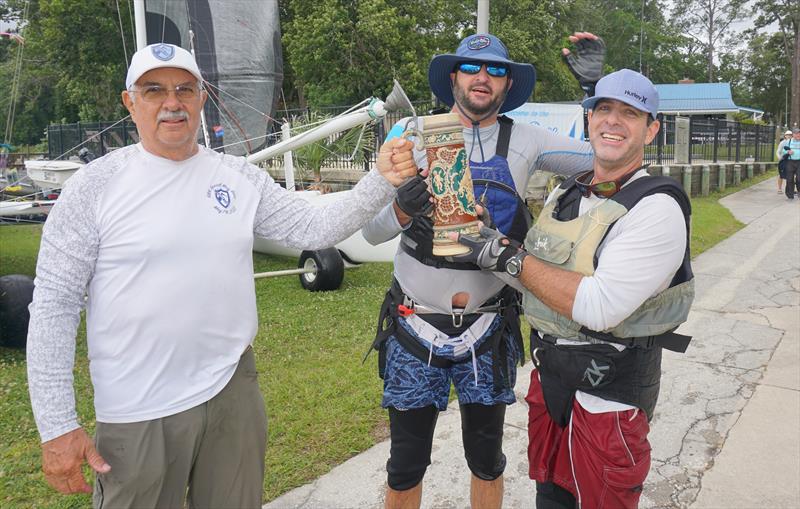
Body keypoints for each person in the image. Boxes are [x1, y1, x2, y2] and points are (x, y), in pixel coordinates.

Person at [26, 43, 417, 509]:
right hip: (138, 409)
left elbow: (314, 227)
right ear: (130, 102)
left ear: (201, 97)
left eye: (184, 89)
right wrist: (56, 426)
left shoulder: (236, 177)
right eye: (154, 90)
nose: (172, 102)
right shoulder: (93, 187)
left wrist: (381, 179)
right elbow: (54, 303)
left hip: (232, 389)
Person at [362, 33, 604, 509]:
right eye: (472, 68)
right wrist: (403, 212)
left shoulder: (527, 138)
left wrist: (593, 95)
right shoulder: (412, 135)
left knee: (487, 457)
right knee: (405, 462)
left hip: (488, 328)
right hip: (416, 325)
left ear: (507, 82)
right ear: (454, 76)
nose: (483, 78)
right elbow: (370, 231)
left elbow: (601, 159)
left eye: (495, 70)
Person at [452, 69, 695, 508]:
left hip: (609, 399)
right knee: (551, 497)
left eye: (630, 113)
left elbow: (599, 307)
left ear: (652, 128)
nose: (613, 122)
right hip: (551, 385)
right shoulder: (567, 192)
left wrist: (510, 256)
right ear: (588, 121)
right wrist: (488, 243)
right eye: (603, 109)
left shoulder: (656, 207)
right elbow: (534, 279)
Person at [780, 128, 800, 200]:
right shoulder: (788, 141)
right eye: (796, 133)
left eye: (799, 133)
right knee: (789, 179)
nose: (798, 135)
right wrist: (788, 152)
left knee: (799, 178)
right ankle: (790, 195)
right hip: (790, 162)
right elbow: (783, 151)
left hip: (799, 162)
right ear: (793, 135)